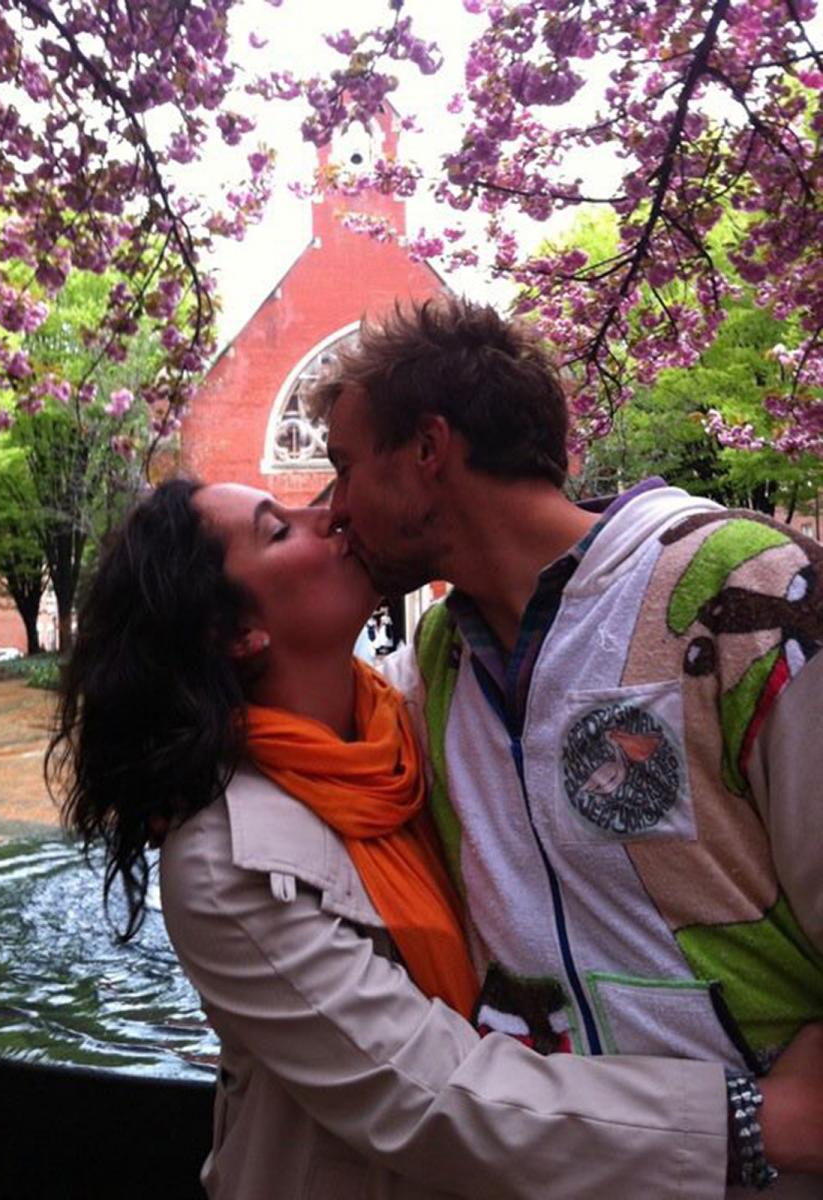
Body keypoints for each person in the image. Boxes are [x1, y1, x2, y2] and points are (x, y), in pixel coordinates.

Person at [47, 477, 816, 1200]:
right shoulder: (225, 860)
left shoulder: (415, 721)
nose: (334, 515)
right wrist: (749, 1122)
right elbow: (420, 1089)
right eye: (281, 530)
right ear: (238, 633)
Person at [317, 295, 823, 1195]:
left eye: (345, 466)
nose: (332, 508)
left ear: (428, 451)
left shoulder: (746, 591)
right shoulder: (437, 658)